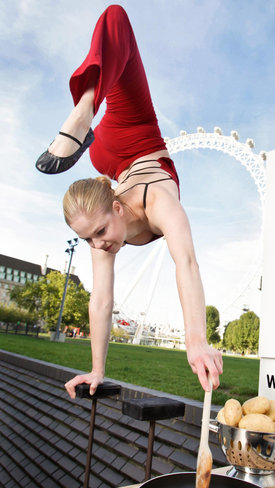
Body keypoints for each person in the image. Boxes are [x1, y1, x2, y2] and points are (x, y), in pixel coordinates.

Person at [36, 5, 222, 398]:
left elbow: (186, 263)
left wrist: (195, 339)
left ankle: (85, 109)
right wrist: (96, 370)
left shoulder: (158, 202)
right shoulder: (101, 230)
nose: (99, 245)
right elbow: (101, 301)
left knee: (116, 18)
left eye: (99, 233)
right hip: (105, 158)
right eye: (88, 240)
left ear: (117, 207)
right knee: (117, 31)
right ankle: (88, 122)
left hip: (131, 136)